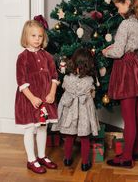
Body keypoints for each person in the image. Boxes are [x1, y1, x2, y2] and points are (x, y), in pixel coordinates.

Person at [102, 0, 138, 168]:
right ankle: (136, 150)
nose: (117, 8)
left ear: (128, 2)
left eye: (119, 5)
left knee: (128, 116)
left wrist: (107, 51)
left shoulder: (125, 24)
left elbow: (119, 52)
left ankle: (126, 157)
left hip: (126, 71)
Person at [15, 15, 59, 174]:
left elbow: (54, 76)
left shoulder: (47, 56)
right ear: (26, 36)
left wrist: (52, 93)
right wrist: (32, 98)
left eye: (40, 36)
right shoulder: (23, 57)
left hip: (46, 98)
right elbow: (21, 81)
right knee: (29, 129)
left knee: (42, 127)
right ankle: (31, 159)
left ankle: (41, 156)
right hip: (29, 99)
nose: (37, 39)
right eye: (33, 35)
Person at [52, 48, 100, 171]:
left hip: (70, 113)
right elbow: (91, 94)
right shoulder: (89, 80)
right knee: (84, 139)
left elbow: (63, 88)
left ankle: (67, 159)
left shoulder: (67, 78)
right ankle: (85, 163)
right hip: (83, 112)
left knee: (69, 137)